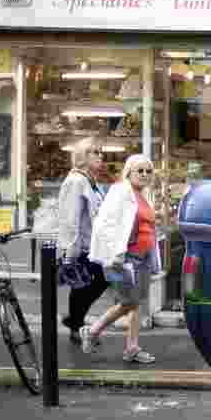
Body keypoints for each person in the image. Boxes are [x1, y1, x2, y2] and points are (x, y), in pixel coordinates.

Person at [81, 154, 161, 364]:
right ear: (129, 172)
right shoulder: (120, 192)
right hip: (126, 257)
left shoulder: (145, 194)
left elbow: (149, 226)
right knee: (129, 301)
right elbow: (103, 224)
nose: (144, 174)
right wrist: (114, 252)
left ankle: (132, 348)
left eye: (148, 171)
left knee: (137, 304)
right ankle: (92, 331)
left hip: (143, 257)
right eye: (140, 170)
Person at [56, 138, 108, 345]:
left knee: (90, 284)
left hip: (93, 245)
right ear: (83, 157)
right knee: (86, 284)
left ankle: (75, 322)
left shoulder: (89, 181)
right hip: (81, 246)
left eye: (100, 152)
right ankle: (76, 326)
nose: (100, 155)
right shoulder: (76, 181)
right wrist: (71, 251)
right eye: (95, 152)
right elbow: (71, 218)